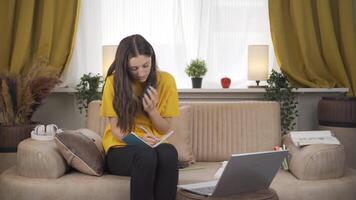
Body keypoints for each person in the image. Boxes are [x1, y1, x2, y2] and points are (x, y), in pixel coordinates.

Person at [100, 34, 180, 200]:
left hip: (153, 145)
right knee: (146, 155)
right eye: (134, 68)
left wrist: (152, 111)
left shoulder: (166, 81)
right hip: (120, 147)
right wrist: (141, 141)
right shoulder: (113, 82)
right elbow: (116, 129)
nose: (142, 73)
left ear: (152, 60)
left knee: (169, 152)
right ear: (124, 66)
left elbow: (165, 128)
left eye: (146, 65)